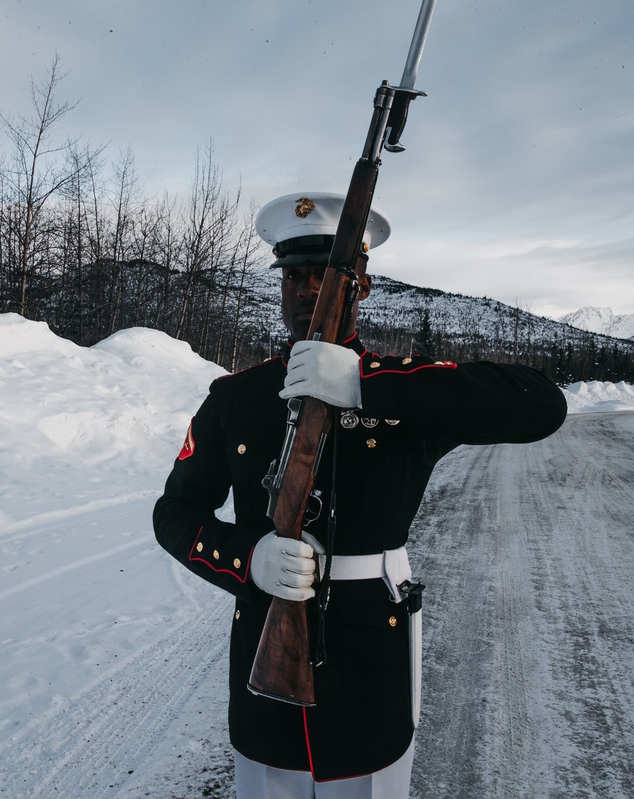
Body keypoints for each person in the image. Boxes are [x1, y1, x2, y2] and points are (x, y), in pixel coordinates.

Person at [153, 192, 567, 798]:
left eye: (325, 276)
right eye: (294, 276)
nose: (307, 292)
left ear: (362, 289)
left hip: (370, 650)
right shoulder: (235, 398)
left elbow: (541, 407)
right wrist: (246, 558)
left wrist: (365, 383)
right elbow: (175, 511)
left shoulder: (401, 390)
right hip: (265, 647)